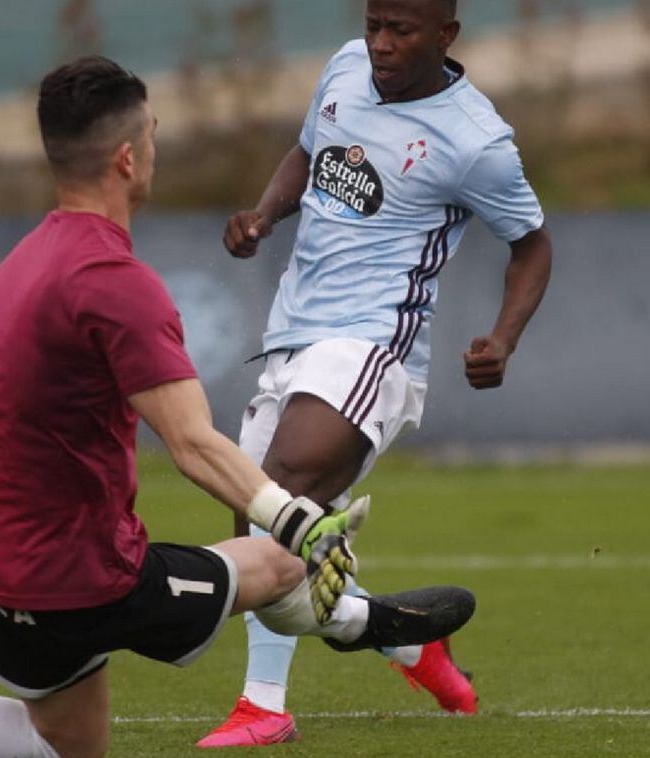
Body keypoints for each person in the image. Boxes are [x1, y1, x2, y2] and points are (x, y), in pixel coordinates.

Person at [0, 56, 475, 758]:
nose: (156, 146)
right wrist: (304, 524)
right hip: (88, 582)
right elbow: (192, 445)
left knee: (67, 744)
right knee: (279, 565)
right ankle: (367, 626)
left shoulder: (15, 271)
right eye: (152, 134)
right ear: (127, 159)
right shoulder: (118, 284)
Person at [196, 0, 553, 747]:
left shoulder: (477, 141)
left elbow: (532, 245)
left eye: (402, 31)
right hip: (292, 334)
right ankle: (402, 639)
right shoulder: (344, 69)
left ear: (446, 36)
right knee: (259, 552)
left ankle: (264, 707)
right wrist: (263, 216)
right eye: (375, 26)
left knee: (281, 492)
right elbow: (307, 154)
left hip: (375, 347)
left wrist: (506, 339)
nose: (382, 45)